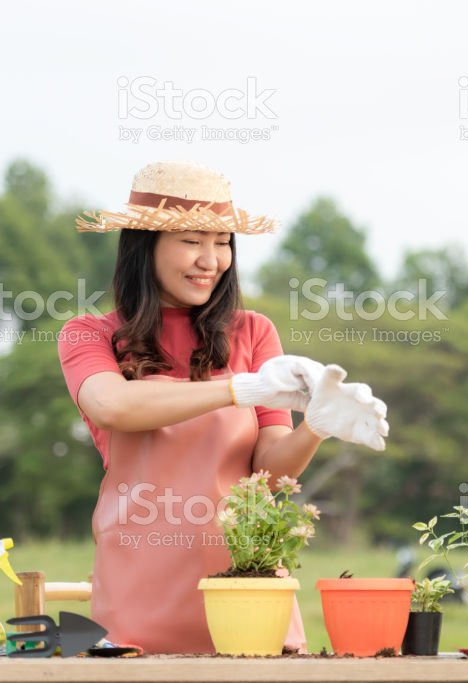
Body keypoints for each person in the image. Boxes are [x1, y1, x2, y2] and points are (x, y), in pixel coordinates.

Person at [57, 161, 388, 654]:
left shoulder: (252, 332)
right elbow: (114, 406)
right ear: (144, 247)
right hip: (138, 595)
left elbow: (268, 475)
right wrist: (242, 389)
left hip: (250, 587)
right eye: (192, 241)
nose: (210, 260)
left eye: (222, 242)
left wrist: (313, 429)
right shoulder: (91, 334)